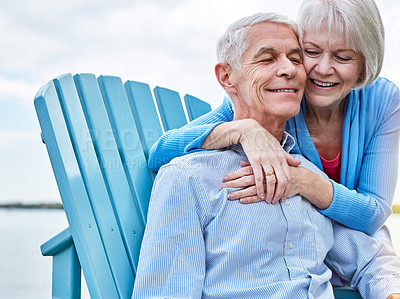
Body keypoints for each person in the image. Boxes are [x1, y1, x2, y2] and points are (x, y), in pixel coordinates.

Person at [133, 13, 400, 299]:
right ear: (227, 78)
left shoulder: (308, 175)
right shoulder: (190, 179)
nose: (288, 69)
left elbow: (371, 257)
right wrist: (245, 130)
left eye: (296, 59)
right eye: (267, 59)